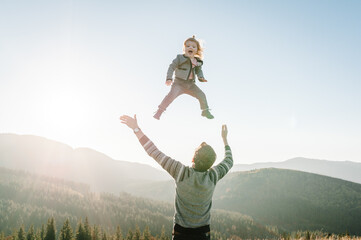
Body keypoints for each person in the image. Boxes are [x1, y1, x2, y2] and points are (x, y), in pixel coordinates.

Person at [119, 114, 233, 240]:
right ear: (211, 164)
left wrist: (136, 129)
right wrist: (225, 139)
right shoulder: (213, 176)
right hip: (203, 234)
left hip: (181, 233)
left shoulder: (181, 173)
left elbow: (153, 151)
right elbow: (229, 160)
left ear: (193, 158)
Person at [153, 36, 214, 120]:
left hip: (191, 85)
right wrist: (169, 78)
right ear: (184, 48)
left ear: (196, 50)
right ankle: (159, 111)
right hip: (179, 83)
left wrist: (201, 77)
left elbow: (199, 71)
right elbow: (171, 67)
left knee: (201, 95)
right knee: (171, 95)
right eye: (188, 46)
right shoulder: (180, 58)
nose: (190, 48)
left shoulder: (197, 61)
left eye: (193, 46)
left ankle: (205, 111)